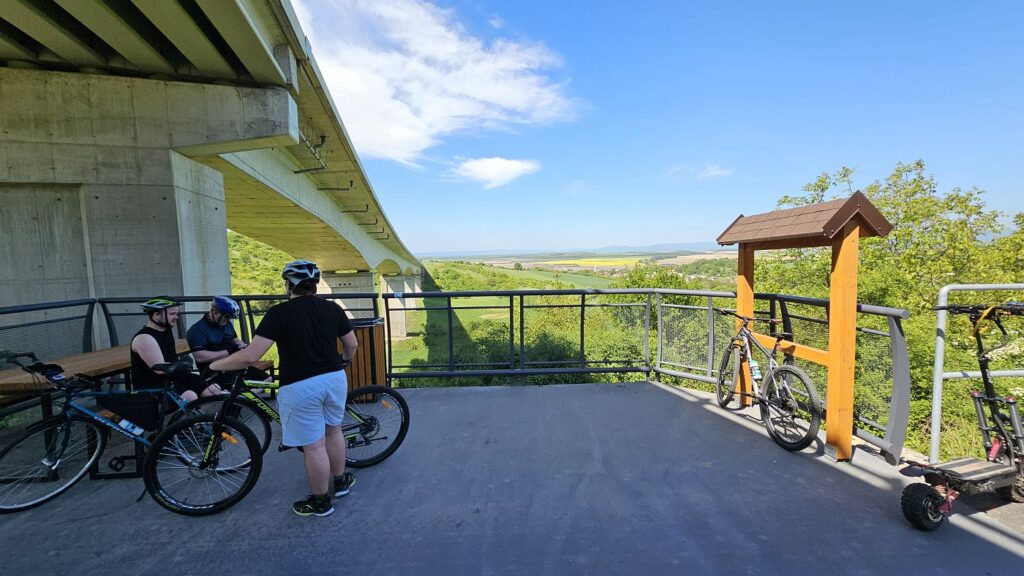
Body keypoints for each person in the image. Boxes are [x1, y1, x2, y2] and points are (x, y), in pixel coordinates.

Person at [211, 260, 358, 517]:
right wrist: (344, 361)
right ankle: (341, 481)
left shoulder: (278, 313)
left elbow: (250, 356)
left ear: (288, 284)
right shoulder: (332, 308)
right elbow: (352, 344)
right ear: (314, 285)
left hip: (300, 386)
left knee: (313, 446)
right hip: (334, 379)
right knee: (334, 432)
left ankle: (321, 501)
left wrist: (216, 365)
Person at [131, 297, 220, 403]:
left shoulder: (165, 330)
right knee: (190, 396)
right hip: (152, 384)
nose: (176, 317)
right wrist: (183, 364)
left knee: (214, 389)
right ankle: (188, 419)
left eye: (177, 314)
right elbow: (160, 370)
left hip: (172, 378)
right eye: (172, 314)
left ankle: (204, 419)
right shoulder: (144, 338)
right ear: (156, 315)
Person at [187, 296, 270, 383]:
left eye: (230, 317)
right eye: (226, 316)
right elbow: (200, 357)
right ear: (215, 312)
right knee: (247, 388)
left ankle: (240, 396)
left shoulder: (226, 324)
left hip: (233, 366)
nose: (227, 320)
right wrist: (228, 352)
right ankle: (238, 395)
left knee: (266, 380)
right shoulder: (197, 330)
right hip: (214, 372)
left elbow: (236, 340)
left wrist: (245, 348)